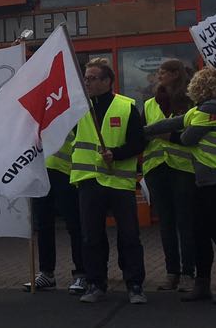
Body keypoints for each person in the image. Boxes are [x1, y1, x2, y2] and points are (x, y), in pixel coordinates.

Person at [148, 68, 216, 304]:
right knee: (200, 234)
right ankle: (202, 284)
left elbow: (187, 138)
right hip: (207, 180)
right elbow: (174, 122)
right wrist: (144, 131)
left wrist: (160, 136)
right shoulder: (203, 109)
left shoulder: (213, 108)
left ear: (200, 87)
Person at [71, 58, 147, 305]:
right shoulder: (80, 108)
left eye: (92, 78)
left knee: (129, 236)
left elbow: (138, 142)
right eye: (85, 78)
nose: (87, 83)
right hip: (89, 180)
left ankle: (134, 284)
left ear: (107, 81)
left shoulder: (126, 107)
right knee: (91, 237)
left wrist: (117, 154)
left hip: (119, 181)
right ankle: (95, 283)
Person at [141, 59, 196, 291]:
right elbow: (141, 134)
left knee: (185, 221)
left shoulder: (189, 101)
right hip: (156, 168)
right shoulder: (149, 104)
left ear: (175, 74)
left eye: (163, 72)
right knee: (166, 223)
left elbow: (193, 134)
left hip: (182, 168)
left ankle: (188, 273)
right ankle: (171, 272)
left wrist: (169, 136)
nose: (159, 75)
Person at [26, 128, 86, 293]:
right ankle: (47, 273)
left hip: (66, 171)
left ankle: (82, 272)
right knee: (43, 224)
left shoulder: (67, 112)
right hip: (41, 171)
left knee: (74, 224)